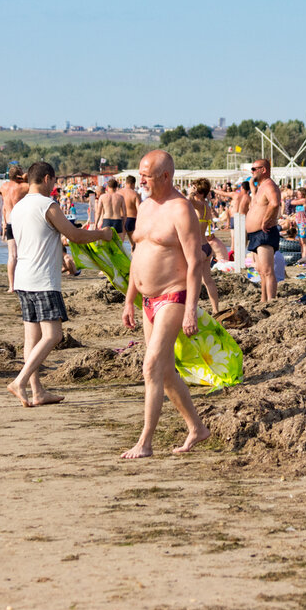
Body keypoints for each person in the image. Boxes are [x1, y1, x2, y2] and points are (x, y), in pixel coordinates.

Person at [121, 150, 211, 459]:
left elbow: (195, 261)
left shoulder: (181, 210)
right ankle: (197, 428)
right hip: (147, 298)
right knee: (165, 370)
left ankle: (145, 442)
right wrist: (129, 299)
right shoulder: (144, 207)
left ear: (166, 177)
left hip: (174, 295)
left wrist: (190, 310)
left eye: (147, 175)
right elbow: (138, 256)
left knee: (150, 366)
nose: (141, 179)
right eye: (140, 173)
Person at [7, 161, 111, 408]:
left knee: (31, 339)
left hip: (23, 277)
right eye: (53, 181)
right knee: (53, 334)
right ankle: (20, 381)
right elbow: (74, 235)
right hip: (42, 278)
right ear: (46, 178)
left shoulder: (18, 208)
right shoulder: (47, 205)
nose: (54, 186)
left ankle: (37, 392)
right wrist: (101, 234)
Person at [245, 158, 282, 303]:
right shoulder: (261, 186)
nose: (252, 172)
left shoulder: (269, 185)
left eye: (254, 169)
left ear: (264, 170)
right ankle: (263, 299)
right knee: (261, 271)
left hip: (264, 233)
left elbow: (275, 203)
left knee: (267, 270)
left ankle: (271, 300)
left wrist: (266, 219)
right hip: (256, 234)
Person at [188, 178, 220, 313]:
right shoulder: (206, 204)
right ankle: (216, 310)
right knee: (208, 280)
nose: (193, 190)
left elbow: (187, 201)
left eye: (195, 188)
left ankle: (191, 309)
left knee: (192, 281)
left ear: (199, 192)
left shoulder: (199, 203)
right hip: (206, 247)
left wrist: (190, 193)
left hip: (198, 247)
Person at [0, 165, 29, 292]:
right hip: (21, 222)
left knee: (12, 255)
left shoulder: (3, 187)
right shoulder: (24, 187)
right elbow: (36, 186)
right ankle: (24, 282)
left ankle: (11, 286)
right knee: (24, 253)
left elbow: (1, 203)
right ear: (19, 175)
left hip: (9, 222)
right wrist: (25, 178)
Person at [120, 175, 141, 247]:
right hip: (131, 219)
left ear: (126, 183)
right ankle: (133, 256)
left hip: (120, 218)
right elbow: (139, 210)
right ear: (133, 184)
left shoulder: (118, 193)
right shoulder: (135, 194)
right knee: (134, 245)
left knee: (119, 243)